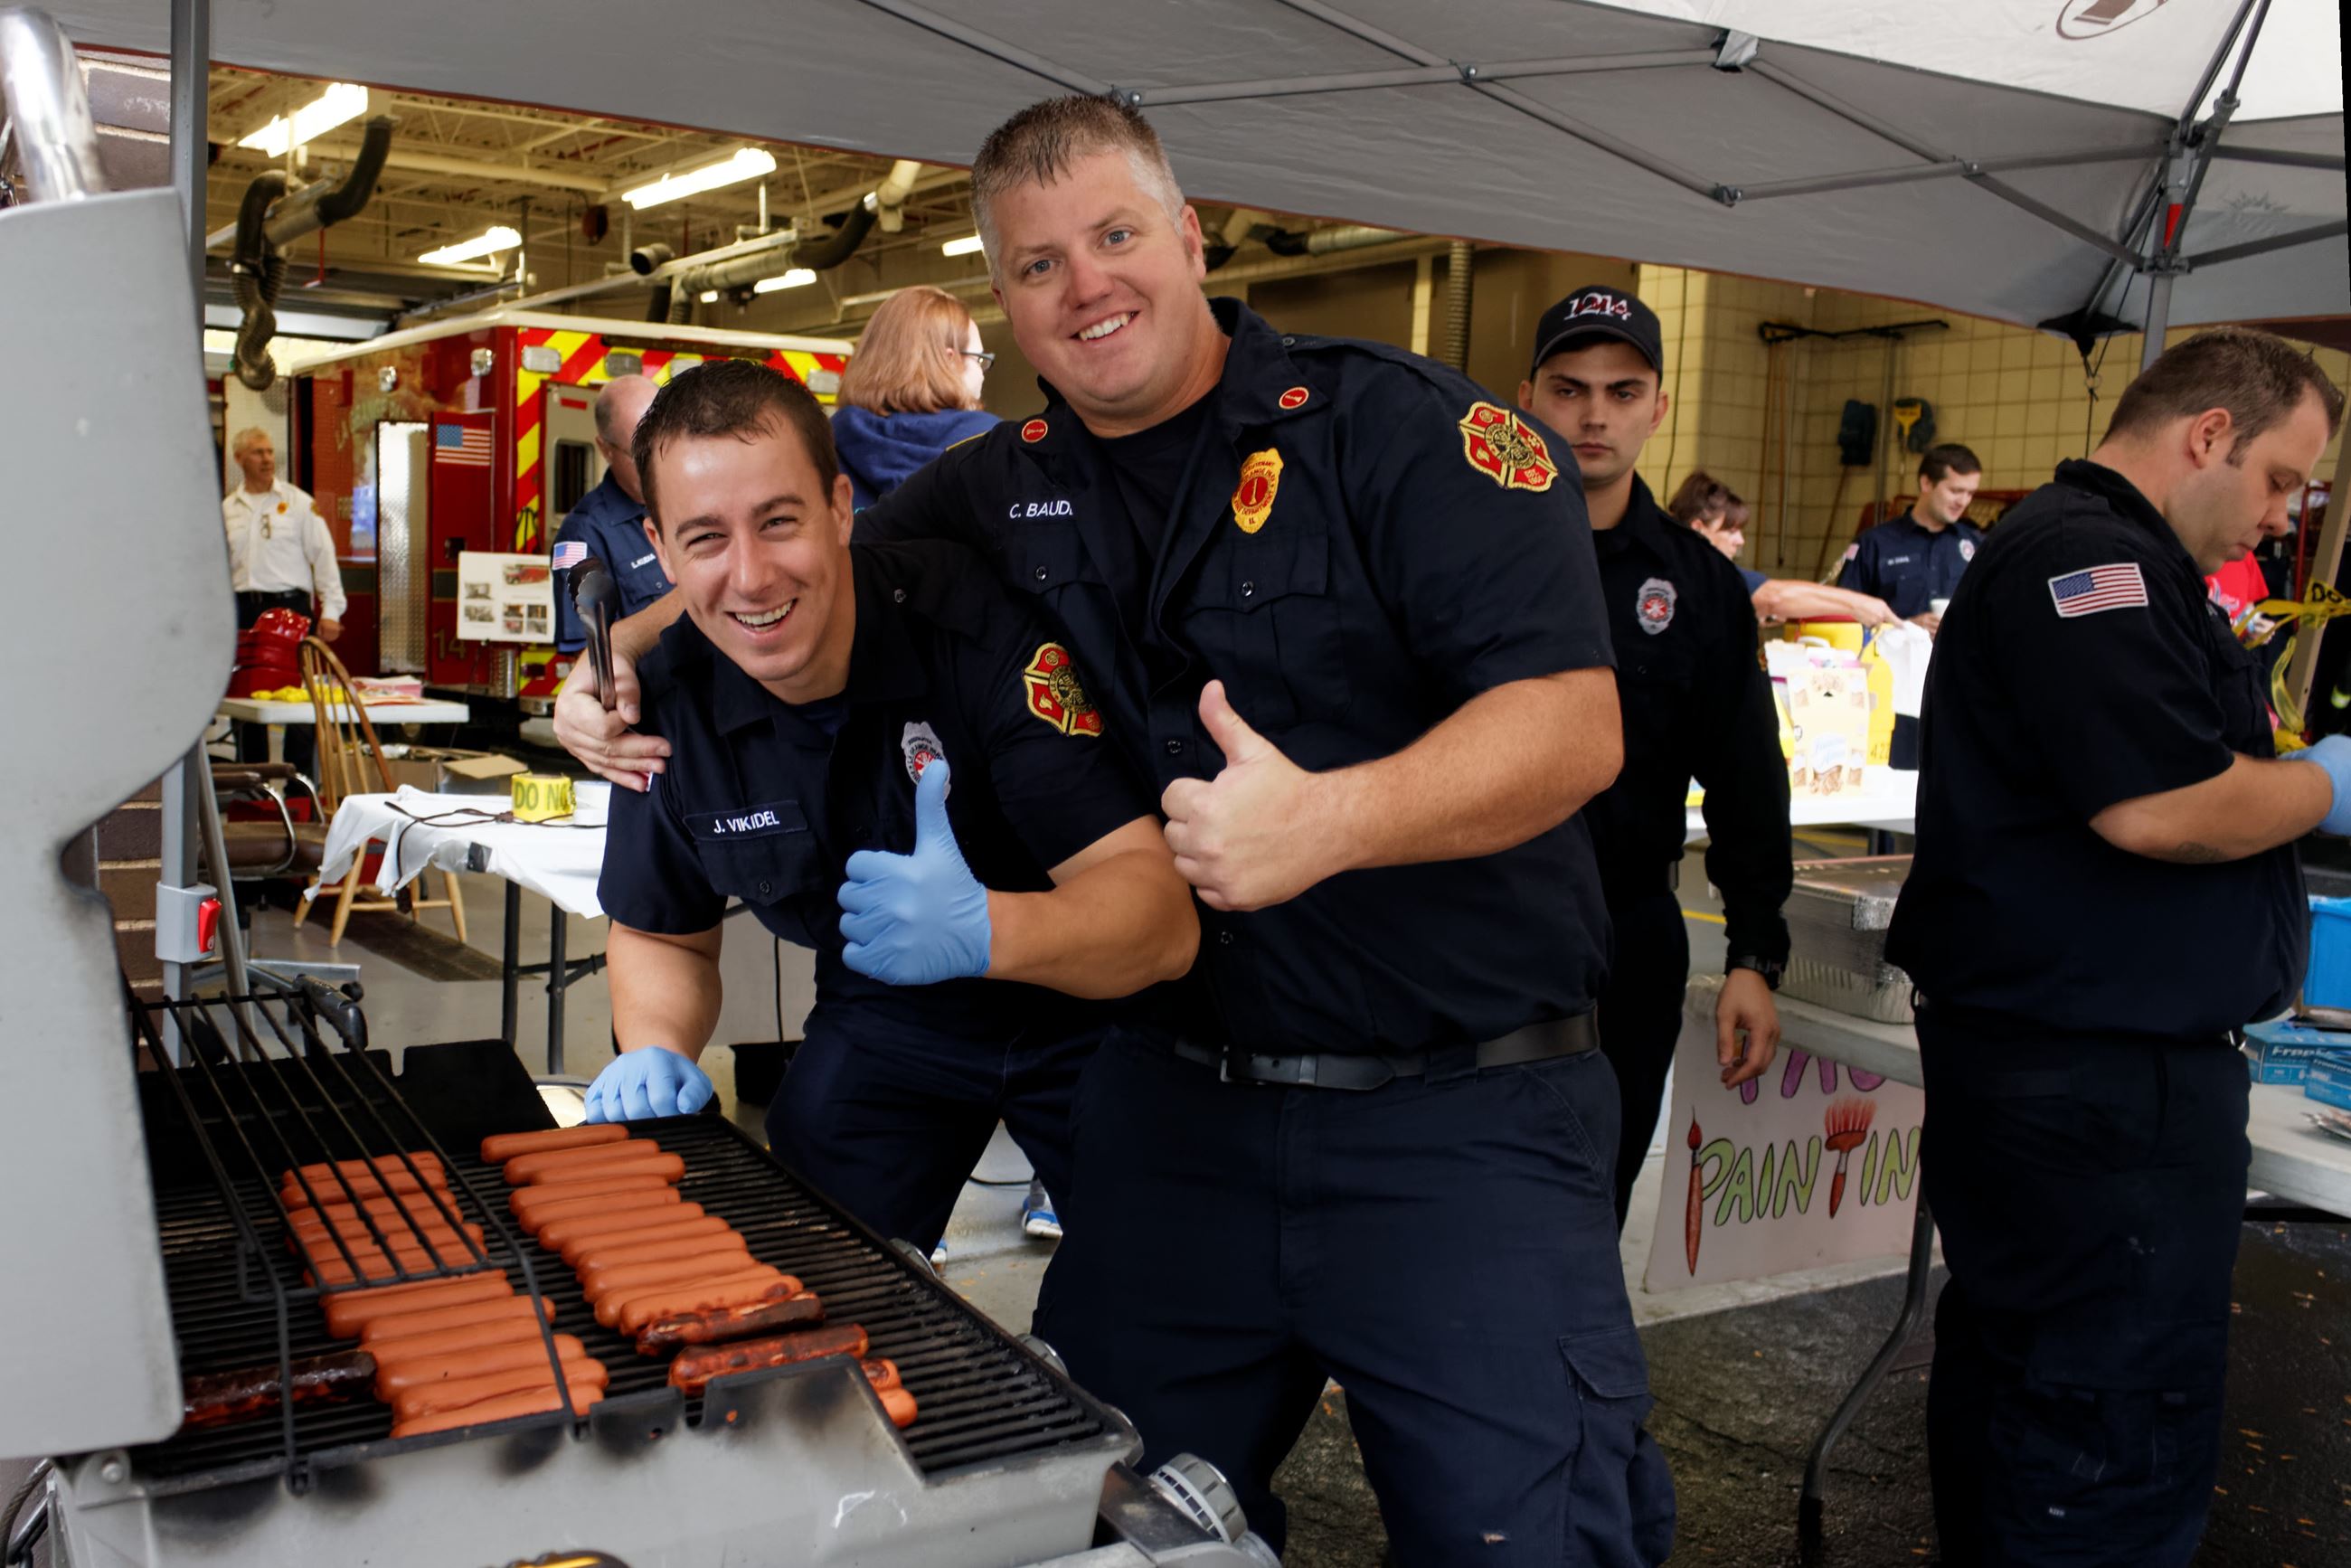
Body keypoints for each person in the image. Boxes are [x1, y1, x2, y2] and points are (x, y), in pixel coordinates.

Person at [558, 94, 1671, 1568]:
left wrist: (1329, 820)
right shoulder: (999, 481)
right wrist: (611, 662)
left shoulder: (1404, 435)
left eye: (1115, 235)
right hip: (1174, 1109)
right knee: (1096, 1521)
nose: (1084, 286)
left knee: (1521, 1538)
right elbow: (785, 562)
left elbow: (1569, 727)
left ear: (1189, 234)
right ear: (1005, 303)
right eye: (1036, 263)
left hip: (1456, 1119)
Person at [1884, 327, 2348, 1567]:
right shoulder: (2092, 563)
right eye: (2281, 481)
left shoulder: (2104, 557)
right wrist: (2321, 787)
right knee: (2108, 1425)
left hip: (2073, 1073)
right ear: (2209, 435)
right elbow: (2160, 805)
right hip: (2099, 1091)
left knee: (2033, 1385)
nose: (2285, 515)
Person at [581, 360, 1197, 1266]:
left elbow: (1157, 922)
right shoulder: (669, 703)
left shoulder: (976, 633)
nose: (749, 577)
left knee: (1158, 1306)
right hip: (887, 1011)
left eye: (779, 521)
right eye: (705, 538)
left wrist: (989, 928)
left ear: (839, 507)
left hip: (1091, 1010)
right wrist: (655, 1046)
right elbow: (662, 932)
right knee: (800, 1275)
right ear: (660, 551)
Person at [1517, 287, 1789, 1229]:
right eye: (1569, 388)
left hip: (1624, 933)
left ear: (1657, 406)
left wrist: (1753, 953)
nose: (1594, 415)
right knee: (1453, 1197)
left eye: (1622, 392)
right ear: (1526, 399)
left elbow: (1748, 777)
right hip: (1470, 923)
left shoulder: (1697, 582)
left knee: (1597, 1191)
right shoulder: (1457, 553)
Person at [828, 285, 1060, 1246]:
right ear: (946, 361)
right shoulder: (1004, 454)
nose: (981, 372)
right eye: (974, 354)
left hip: (863, 750)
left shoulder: (825, 451)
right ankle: (1049, 1180)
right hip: (1012, 739)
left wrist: (617, 649)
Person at [223, 426, 346, 769]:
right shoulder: (228, 509)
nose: (266, 459)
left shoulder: (297, 503)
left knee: (299, 699)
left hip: (290, 607)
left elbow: (324, 556)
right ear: (239, 459)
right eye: (257, 453)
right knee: (246, 699)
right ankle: (253, 785)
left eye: (269, 452)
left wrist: (332, 610)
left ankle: (299, 785)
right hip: (245, 609)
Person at [831, 284, 1000, 510]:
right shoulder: (990, 445)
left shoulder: (825, 446)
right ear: (949, 360)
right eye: (979, 359)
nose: (982, 373)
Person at [1666, 471, 1897, 628]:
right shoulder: (1692, 571)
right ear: (1699, 528)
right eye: (1730, 531)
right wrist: (1859, 605)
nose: (1740, 541)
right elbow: (1774, 597)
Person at [551, 374, 664, 655]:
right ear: (605, 449)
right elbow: (590, 653)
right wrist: (682, 607)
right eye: (639, 454)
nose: (656, 464)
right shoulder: (582, 536)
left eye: (663, 445)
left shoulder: (693, 504)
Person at [1835, 442, 1985, 636]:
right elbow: (1843, 617)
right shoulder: (1874, 543)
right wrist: (1905, 627)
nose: (1963, 501)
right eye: (1955, 491)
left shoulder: (1978, 545)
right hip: (1889, 661)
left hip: (1955, 663)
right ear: (1926, 483)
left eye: (1970, 493)